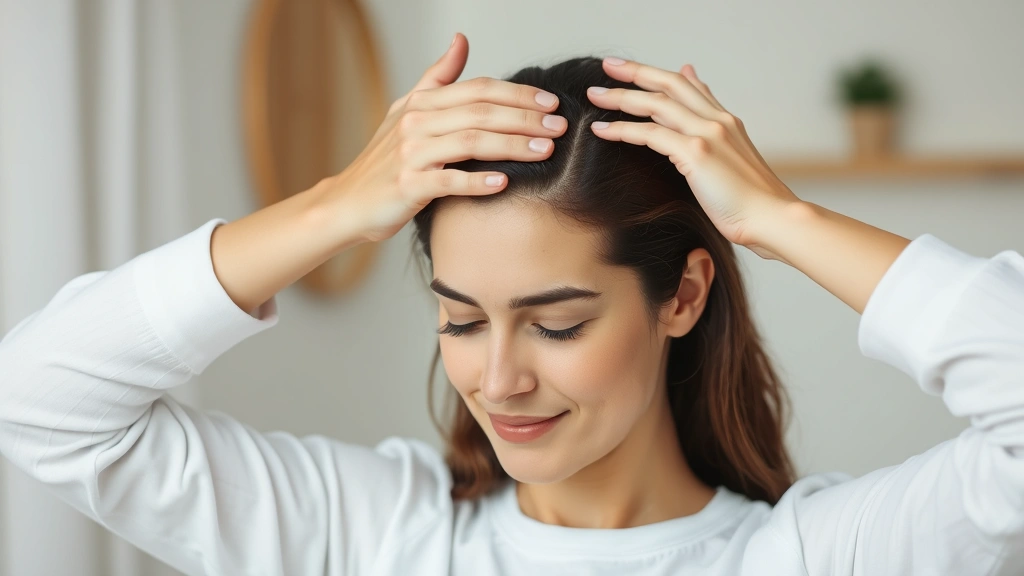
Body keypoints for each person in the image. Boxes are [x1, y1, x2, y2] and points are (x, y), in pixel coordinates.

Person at [0, 33, 1021, 575]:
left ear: (683, 295)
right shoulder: (372, 539)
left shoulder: (815, 558)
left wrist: (779, 218)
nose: (497, 378)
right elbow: (42, 398)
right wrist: (334, 208)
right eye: (458, 318)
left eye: (558, 322)